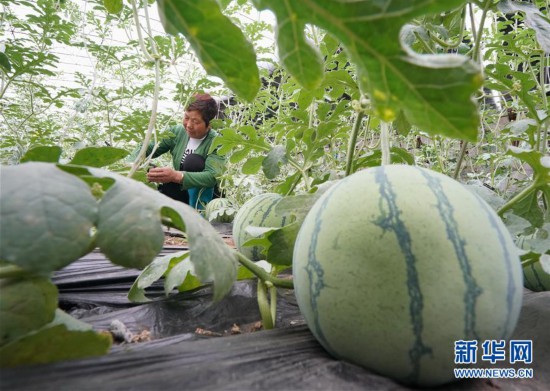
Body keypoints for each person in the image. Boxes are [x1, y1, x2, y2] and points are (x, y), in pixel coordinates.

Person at [144, 94, 224, 209]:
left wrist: (176, 176)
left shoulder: (217, 142)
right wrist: (130, 164)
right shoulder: (177, 132)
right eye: (186, 118)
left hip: (203, 198)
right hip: (181, 190)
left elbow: (212, 177)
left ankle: (199, 211)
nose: (189, 125)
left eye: (195, 121)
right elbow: (148, 148)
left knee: (193, 161)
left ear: (209, 125)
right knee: (151, 170)